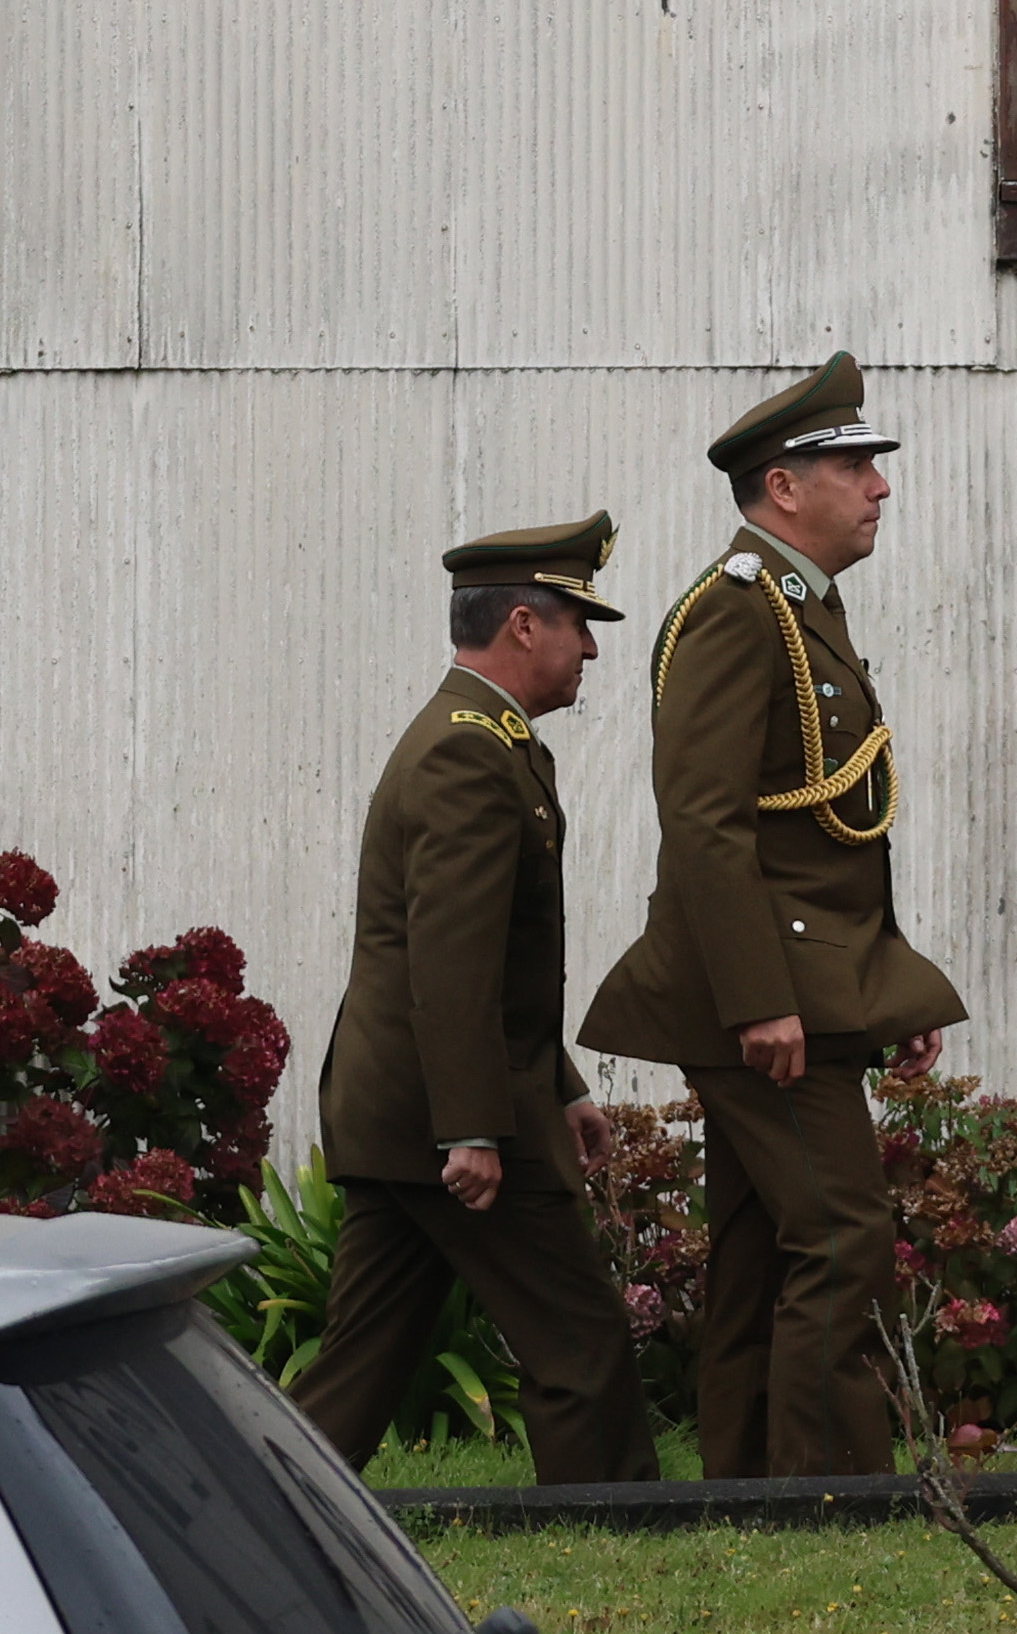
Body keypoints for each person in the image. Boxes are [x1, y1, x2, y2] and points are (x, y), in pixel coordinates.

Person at [581, 351, 966, 1479]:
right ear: (784, 487)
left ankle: (749, 1482)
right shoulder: (736, 611)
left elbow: (823, 834)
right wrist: (760, 1000)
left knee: (761, 1250)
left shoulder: (801, 608)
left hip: (805, 984)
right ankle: (827, 1491)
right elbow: (705, 825)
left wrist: (885, 984)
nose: (880, 486)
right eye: (855, 467)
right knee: (844, 1237)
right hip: (759, 996)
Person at [297, 513, 658, 1486]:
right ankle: (617, 1531)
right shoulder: (468, 752)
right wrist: (472, 1128)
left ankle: (239, 1516)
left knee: (360, 1365)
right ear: (524, 625)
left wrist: (562, 1084)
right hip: (446, 1111)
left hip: (407, 1106)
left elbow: (498, 960)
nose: (591, 649)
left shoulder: (485, 740)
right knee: (579, 1339)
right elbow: (450, 961)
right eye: (580, 623)